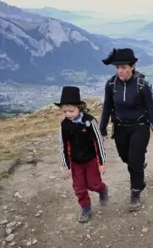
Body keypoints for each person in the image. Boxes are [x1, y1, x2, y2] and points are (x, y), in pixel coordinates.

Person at [99, 48, 153, 212]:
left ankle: (136, 191)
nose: (120, 71)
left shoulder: (142, 85)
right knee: (125, 157)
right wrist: (103, 125)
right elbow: (107, 106)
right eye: (118, 68)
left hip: (139, 128)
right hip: (120, 128)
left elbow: (150, 108)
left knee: (134, 161)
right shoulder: (111, 84)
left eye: (124, 68)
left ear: (132, 67)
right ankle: (139, 165)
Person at [56, 86, 108, 223]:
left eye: (71, 111)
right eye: (65, 111)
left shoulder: (90, 121)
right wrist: (66, 166)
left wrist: (102, 163)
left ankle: (102, 190)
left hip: (91, 160)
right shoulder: (64, 125)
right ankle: (85, 207)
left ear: (79, 107)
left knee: (93, 184)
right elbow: (63, 145)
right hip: (76, 162)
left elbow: (99, 142)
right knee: (79, 187)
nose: (68, 114)